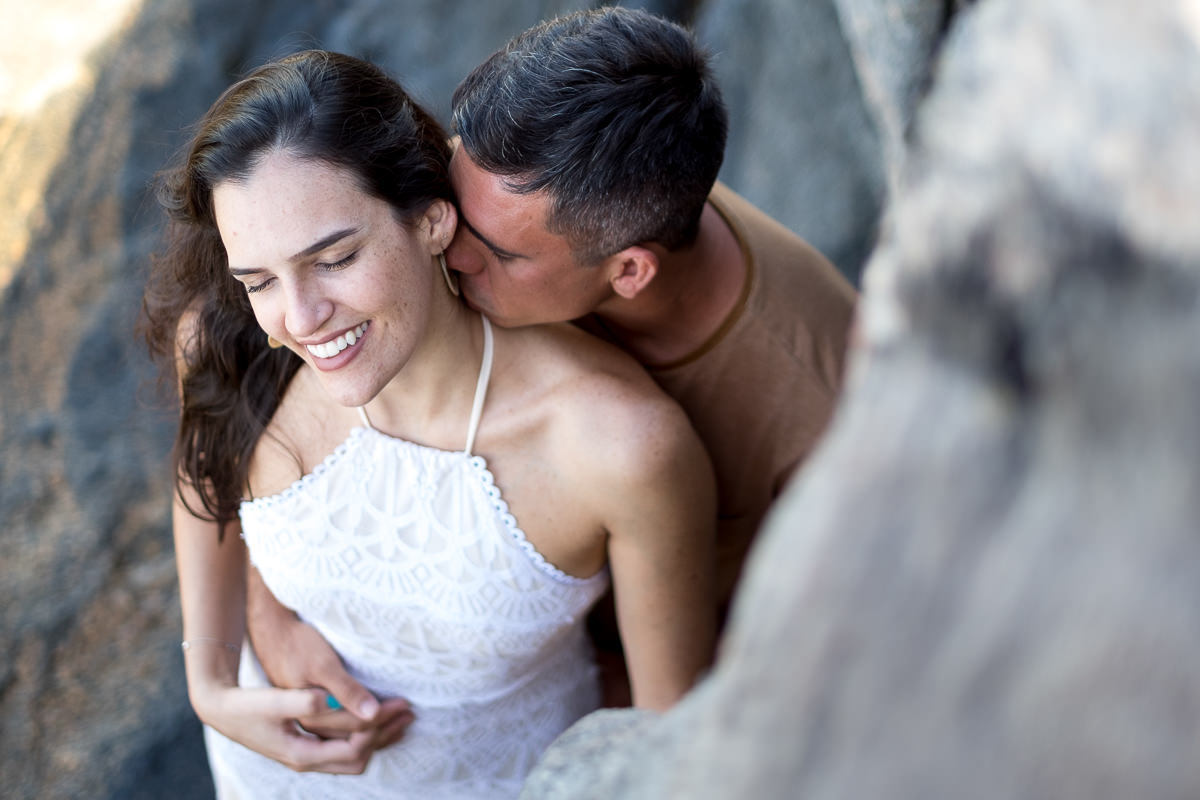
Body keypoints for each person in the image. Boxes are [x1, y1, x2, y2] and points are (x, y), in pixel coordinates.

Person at [245, 5, 857, 737]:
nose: (448, 250)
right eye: (451, 202)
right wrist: (266, 616)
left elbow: (778, 671)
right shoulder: (519, 193)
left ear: (629, 271)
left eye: (498, 252)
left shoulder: (817, 417)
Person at [141, 49, 715, 797]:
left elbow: (674, 737)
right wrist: (212, 682)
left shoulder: (617, 446)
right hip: (270, 773)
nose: (302, 318)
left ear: (433, 221)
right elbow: (207, 488)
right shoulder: (227, 341)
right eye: (260, 279)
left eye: (336, 257)